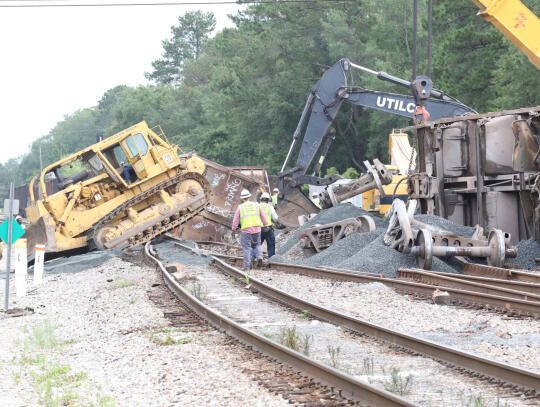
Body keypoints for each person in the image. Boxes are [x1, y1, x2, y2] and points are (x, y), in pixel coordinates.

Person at [232, 189, 268, 271]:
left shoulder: (240, 207)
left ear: (242, 198)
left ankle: (247, 267)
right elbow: (263, 216)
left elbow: (236, 220)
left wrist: (233, 229)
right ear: (249, 197)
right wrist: (265, 225)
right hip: (257, 230)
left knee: (246, 248)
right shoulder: (256, 205)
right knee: (257, 244)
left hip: (246, 231)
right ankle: (260, 256)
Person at [259, 192, 278, 258]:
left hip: (258, 228)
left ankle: (256, 258)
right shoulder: (270, 207)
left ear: (261, 199)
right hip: (268, 228)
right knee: (271, 244)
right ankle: (271, 259)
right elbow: (275, 218)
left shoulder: (257, 207)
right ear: (268, 200)